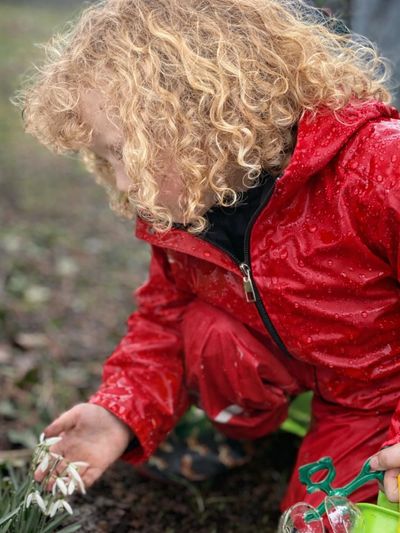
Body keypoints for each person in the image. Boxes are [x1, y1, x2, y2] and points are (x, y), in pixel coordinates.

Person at [14, 0, 400, 512]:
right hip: (295, 359)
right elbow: (163, 323)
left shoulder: (375, 167)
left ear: (200, 119)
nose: (123, 182)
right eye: (107, 158)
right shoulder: (185, 213)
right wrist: (120, 413)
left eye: (126, 151)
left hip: (376, 394)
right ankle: (251, 424)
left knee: (329, 520)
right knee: (202, 328)